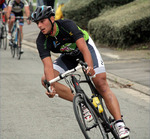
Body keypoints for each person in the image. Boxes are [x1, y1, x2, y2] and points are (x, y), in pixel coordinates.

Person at [31, 6, 130, 139]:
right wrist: (51, 87)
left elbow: (83, 48)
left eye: (42, 21)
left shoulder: (67, 25)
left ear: (52, 19)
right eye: (37, 23)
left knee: (100, 83)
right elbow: (48, 66)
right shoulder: (41, 40)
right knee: (45, 80)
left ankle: (120, 125)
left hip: (86, 48)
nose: (39, 26)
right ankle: (83, 104)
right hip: (68, 56)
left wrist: (89, 67)